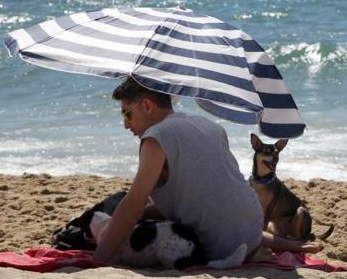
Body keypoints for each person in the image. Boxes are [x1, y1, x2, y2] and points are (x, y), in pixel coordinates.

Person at [93, 76, 319, 265]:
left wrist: (97, 262)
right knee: (221, 215)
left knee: (114, 223)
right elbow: (211, 200)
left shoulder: (155, 139)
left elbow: (133, 204)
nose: (125, 124)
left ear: (147, 106)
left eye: (126, 114)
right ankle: (291, 245)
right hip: (250, 231)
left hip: (216, 251)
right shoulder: (210, 126)